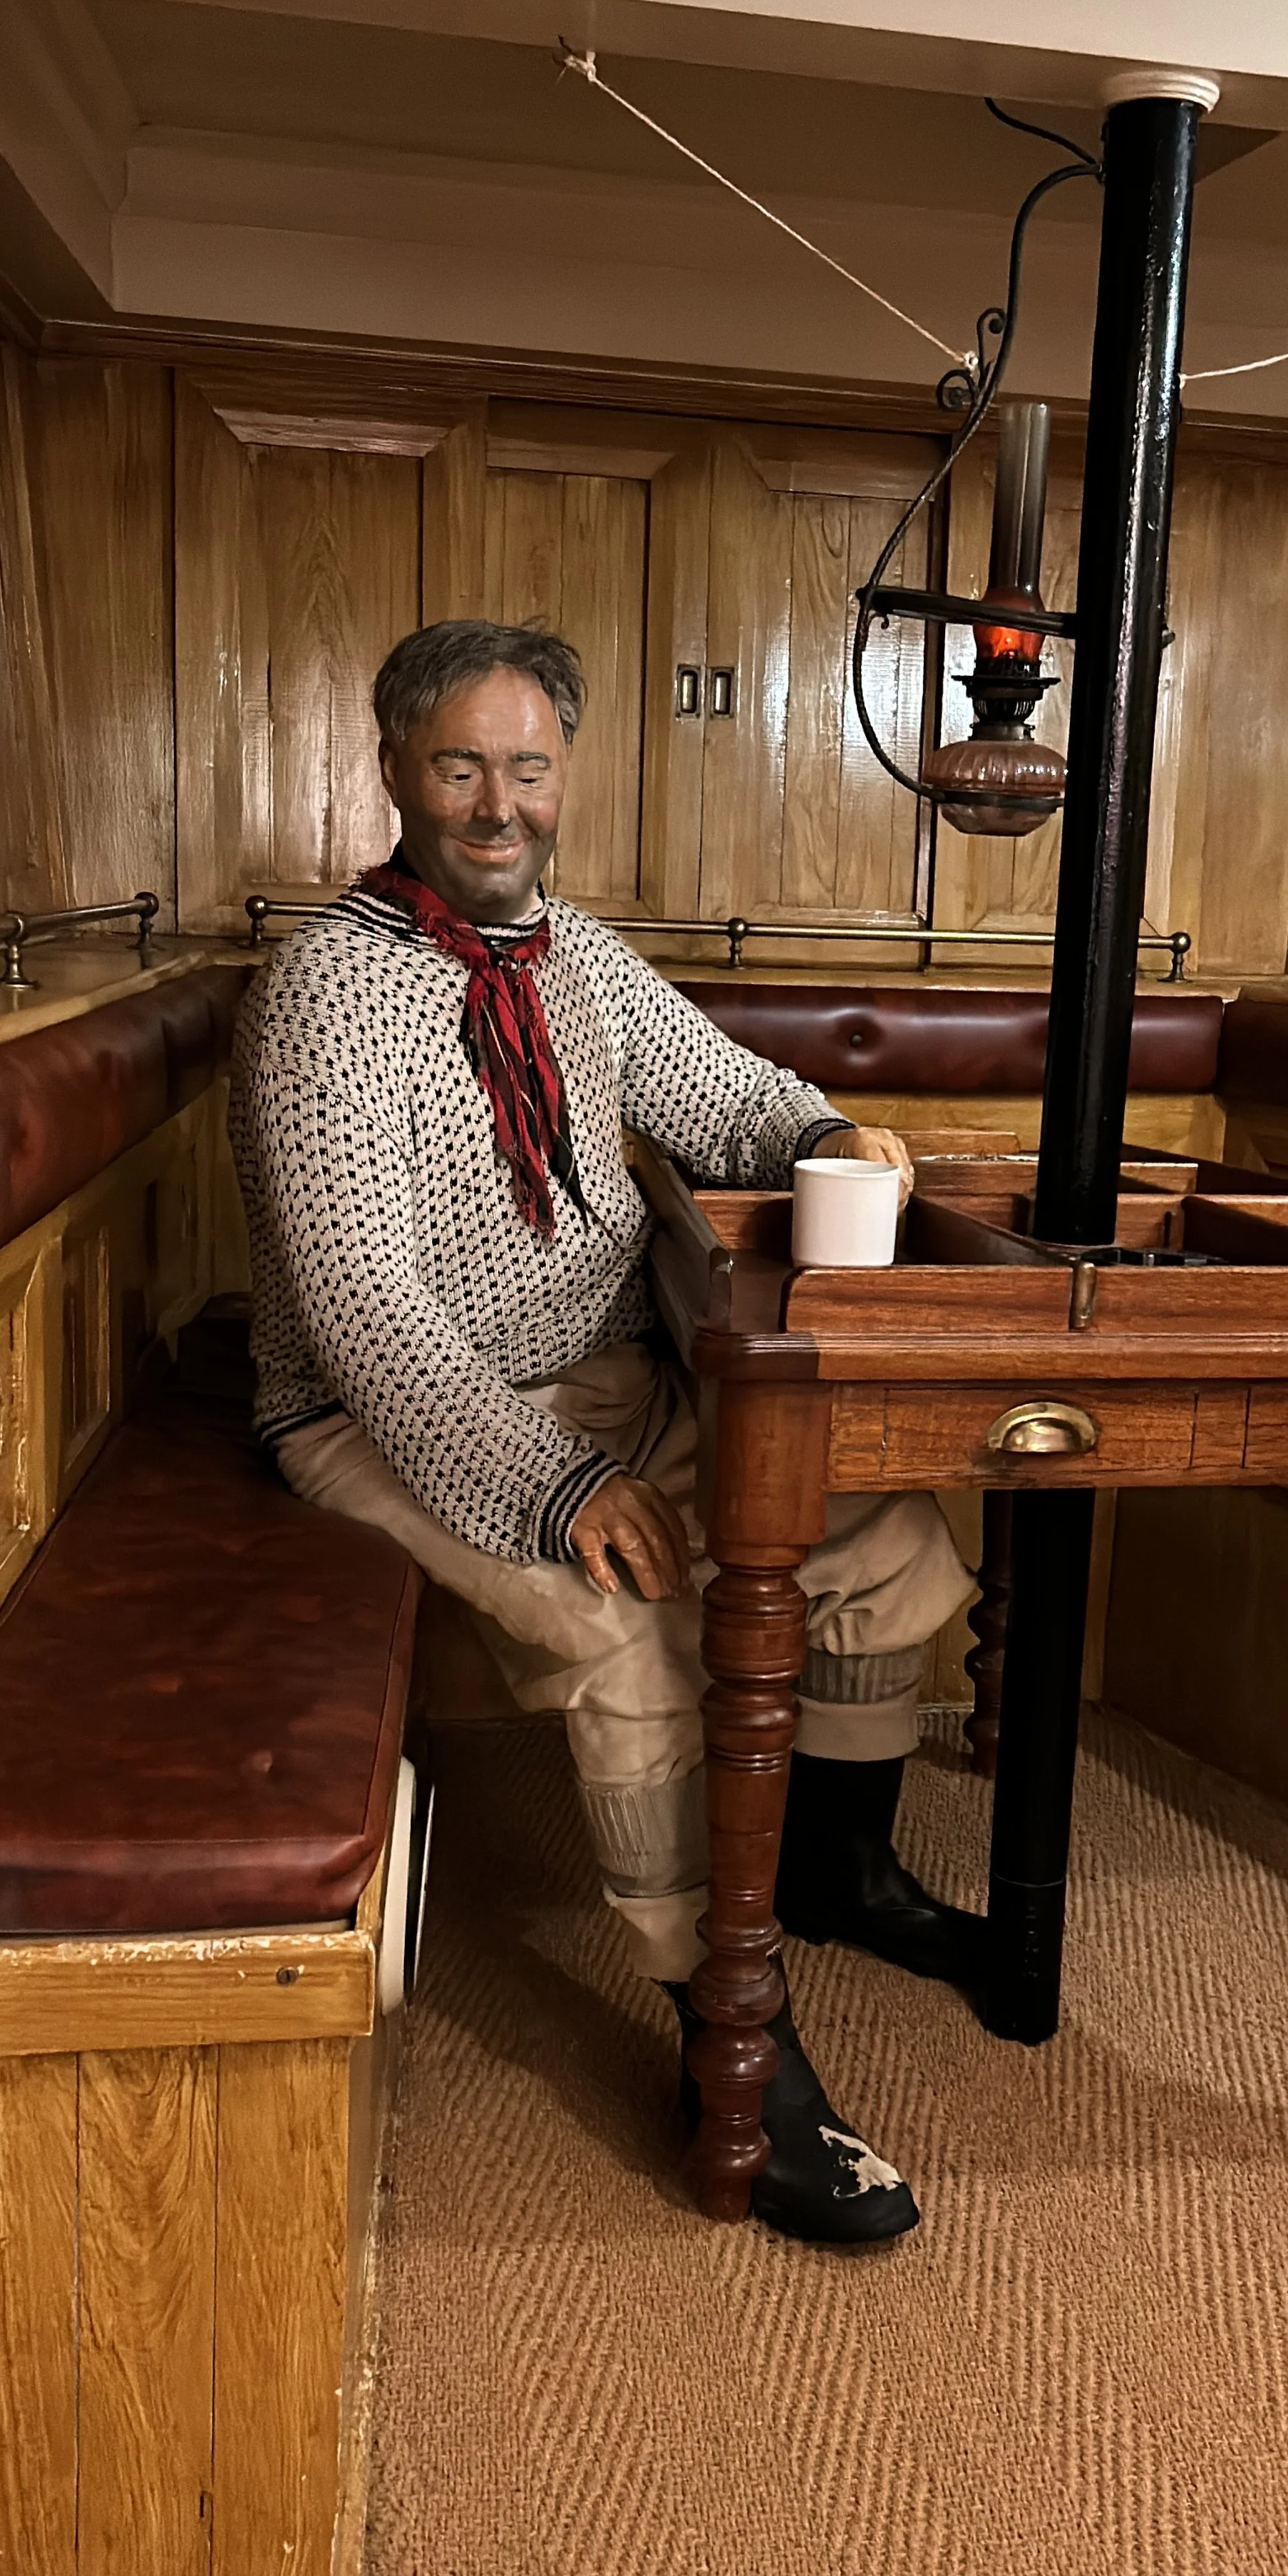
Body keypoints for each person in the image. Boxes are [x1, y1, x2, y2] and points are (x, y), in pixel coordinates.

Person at [230, 620, 974, 2247]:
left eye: (527, 767)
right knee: (628, 1625)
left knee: (885, 1535)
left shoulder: (574, 953)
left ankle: (839, 1873)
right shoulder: (326, 994)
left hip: (609, 1379)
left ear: (563, 775)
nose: (497, 804)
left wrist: (833, 1130)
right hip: (383, 1414)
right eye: (459, 766)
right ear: (393, 770)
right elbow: (364, 1312)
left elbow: (727, 1092)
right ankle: (731, 2031)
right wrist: (558, 1485)